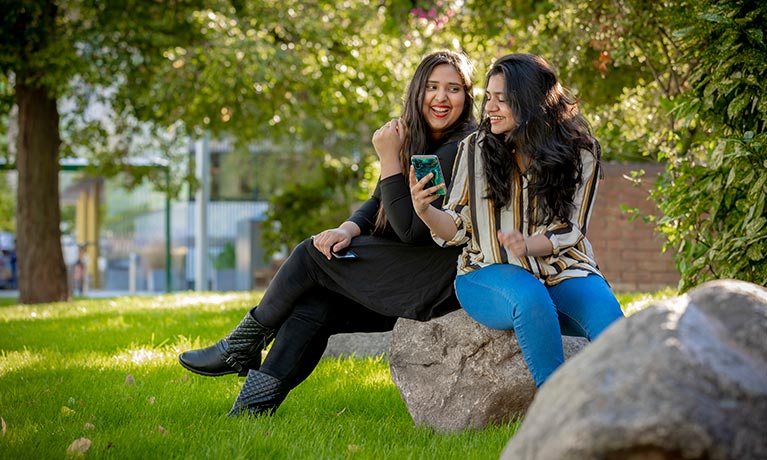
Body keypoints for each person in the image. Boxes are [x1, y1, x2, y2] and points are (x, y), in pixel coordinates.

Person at [178, 50, 477, 416]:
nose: (441, 98)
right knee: (313, 307)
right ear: (417, 90)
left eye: (453, 89)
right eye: (432, 87)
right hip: (405, 269)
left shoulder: (460, 146)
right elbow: (379, 202)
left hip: (435, 276)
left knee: (310, 255)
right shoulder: (414, 136)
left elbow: (412, 230)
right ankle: (251, 410)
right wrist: (346, 229)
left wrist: (387, 160)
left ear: (467, 96)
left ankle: (238, 347)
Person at [409, 53, 624, 388]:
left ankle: (628, 417)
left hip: (563, 269)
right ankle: (553, 412)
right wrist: (425, 211)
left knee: (613, 328)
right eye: (488, 97)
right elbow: (458, 226)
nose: (490, 108)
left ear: (531, 102)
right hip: (488, 270)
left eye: (502, 99)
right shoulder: (475, 148)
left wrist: (528, 245)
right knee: (530, 299)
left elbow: (571, 228)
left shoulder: (581, 152)